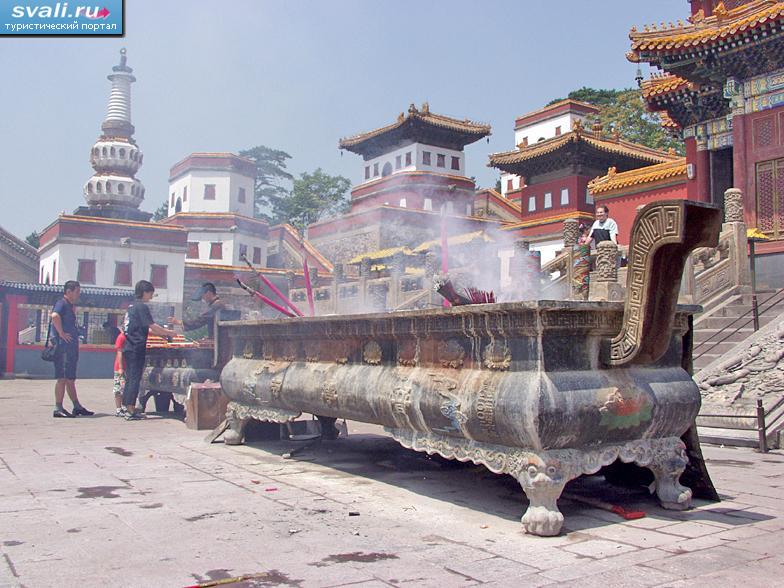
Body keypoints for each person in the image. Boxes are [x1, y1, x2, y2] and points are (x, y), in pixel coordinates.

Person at [122, 280, 177, 421]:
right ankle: (130, 409)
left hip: (128, 347)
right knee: (134, 379)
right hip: (136, 347)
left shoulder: (131, 306)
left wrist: (163, 335)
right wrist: (169, 333)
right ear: (145, 292)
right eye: (150, 293)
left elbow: (147, 329)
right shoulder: (141, 307)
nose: (151, 297)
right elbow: (152, 326)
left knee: (130, 378)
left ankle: (126, 407)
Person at [50, 281, 93, 418]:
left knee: (70, 378)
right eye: (77, 291)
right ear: (69, 291)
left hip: (71, 348)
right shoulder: (62, 303)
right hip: (63, 348)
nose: (78, 294)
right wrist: (61, 333)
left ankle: (77, 406)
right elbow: (54, 316)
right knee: (62, 378)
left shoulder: (70, 306)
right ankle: (58, 407)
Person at [112, 330, 127, 417]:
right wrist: (121, 368)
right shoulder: (121, 337)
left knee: (125, 389)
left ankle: (124, 407)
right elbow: (119, 353)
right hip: (119, 368)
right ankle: (118, 409)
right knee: (118, 389)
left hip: (127, 367)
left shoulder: (130, 337)